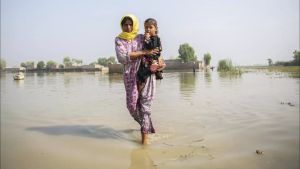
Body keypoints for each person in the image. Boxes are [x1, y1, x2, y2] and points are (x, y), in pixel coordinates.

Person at [115, 14, 166, 144]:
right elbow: (122, 57)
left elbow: (155, 51)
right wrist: (144, 52)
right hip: (130, 76)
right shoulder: (119, 40)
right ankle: (147, 125)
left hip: (146, 73)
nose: (128, 27)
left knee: (145, 107)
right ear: (122, 26)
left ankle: (145, 143)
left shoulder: (142, 37)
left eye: (130, 24)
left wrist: (161, 63)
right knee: (132, 106)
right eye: (125, 24)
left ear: (134, 25)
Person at [137, 18, 163, 85]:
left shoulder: (155, 38)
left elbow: (152, 46)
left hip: (152, 58)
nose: (148, 29)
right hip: (150, 58)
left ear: (156, 29)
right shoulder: (151, 37)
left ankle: (156, 73)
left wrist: (147, 39)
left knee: (144, 73)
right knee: (144, 71)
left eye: (150, 27)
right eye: (146, 27)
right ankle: (157, 73)